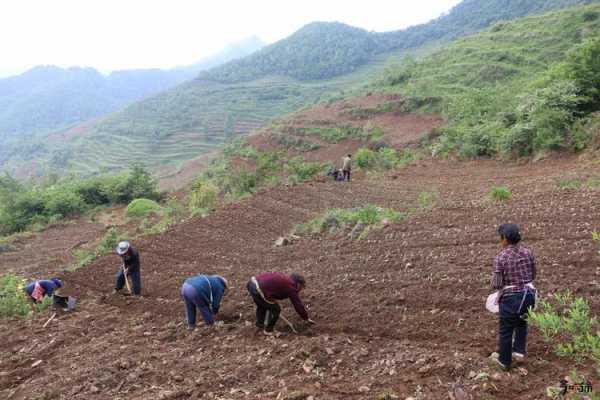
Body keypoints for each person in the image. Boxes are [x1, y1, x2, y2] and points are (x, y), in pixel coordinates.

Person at [490, 223, 536, 370]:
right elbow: (534, 273)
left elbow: (496, 283)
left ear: (505, 239)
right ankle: (519, 353)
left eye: (500, 237)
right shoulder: (528, 252)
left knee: (506, 329)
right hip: (529, 295)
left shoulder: (501, 257)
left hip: (511, 298)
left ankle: (504, 361)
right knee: (522, 323)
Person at [247, 272, 315, 334]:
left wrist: (270, 297)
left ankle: (260, 326)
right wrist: (306, 318)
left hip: (252, 282)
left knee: (263, 305)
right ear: (298, 283)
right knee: (276, 309)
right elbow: (297, 304)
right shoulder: (291, 287)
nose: (300, 289)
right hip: (258, 288)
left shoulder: (286, 280)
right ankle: (268, 330)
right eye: (302, 286)